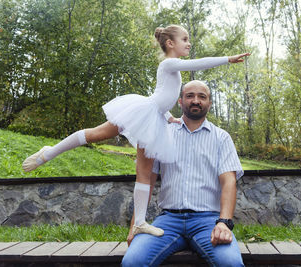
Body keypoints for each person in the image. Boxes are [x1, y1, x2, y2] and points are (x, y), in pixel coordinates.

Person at [22, 24, 249, 238]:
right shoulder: (170, 63)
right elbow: (198, 64)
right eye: (185, 39)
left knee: (144, 171)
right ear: (170, 43)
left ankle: (139, 222)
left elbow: (163, 97)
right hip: (146, 113)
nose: (189, 44)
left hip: (154, 115)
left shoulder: (171, 67)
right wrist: (227, 59)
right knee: (97, 135)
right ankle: (50, 151)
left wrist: (169, 117)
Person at [122, 80, 245, 267]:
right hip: (168, 221)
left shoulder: (221, 138)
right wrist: (135, 226)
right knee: (132, 261)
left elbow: (229, 182)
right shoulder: (163, 134)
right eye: (190, 96)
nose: (196, 100)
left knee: (231, 264)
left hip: (208, 221)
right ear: (180, 102)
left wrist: (224, 223)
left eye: (201, 96)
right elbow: (146, 182)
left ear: (209, 103)